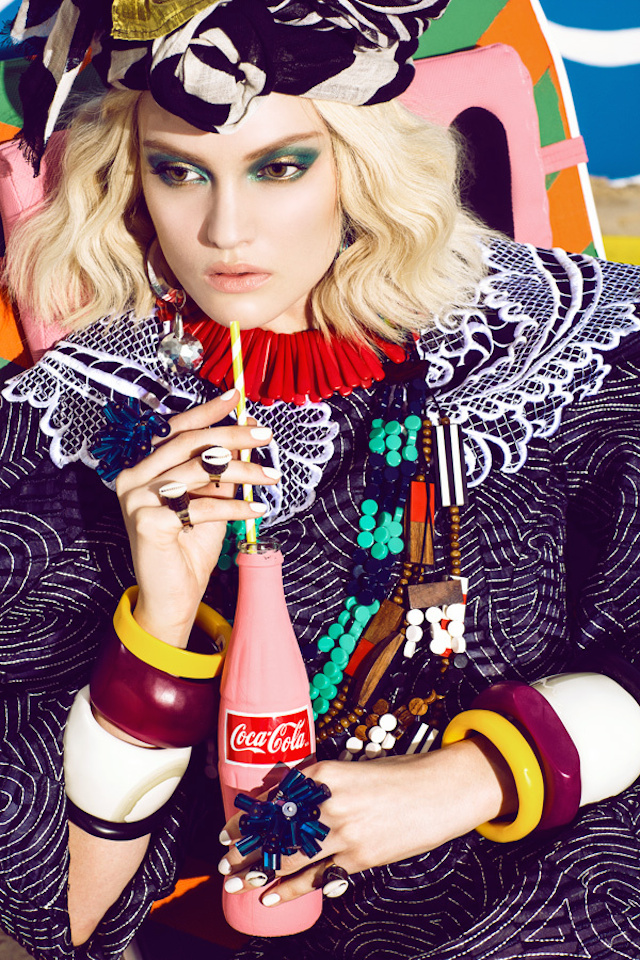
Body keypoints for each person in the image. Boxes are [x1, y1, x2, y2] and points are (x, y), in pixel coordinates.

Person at [2, 2, 640, 959]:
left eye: (279, 167)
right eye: (180, 172)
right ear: (131, 177)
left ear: (358, 161)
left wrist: (480, 775)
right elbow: (65, 916)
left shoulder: (561, 344)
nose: (225, 231)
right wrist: (161, 625)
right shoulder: (75, 430)